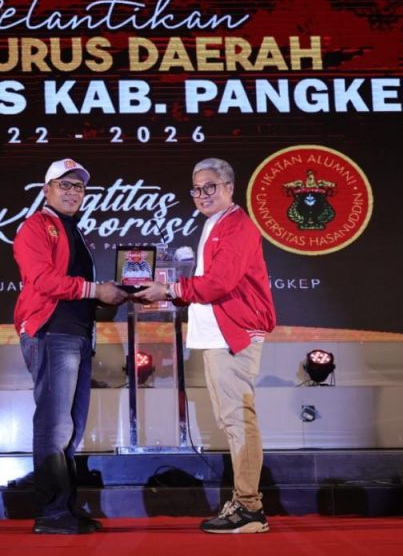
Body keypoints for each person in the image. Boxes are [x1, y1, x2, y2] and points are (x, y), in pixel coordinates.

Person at [133, 157, 276, 534]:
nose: (202, 194)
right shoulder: (216, 223)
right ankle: (245, 504)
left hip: (234, 333)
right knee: (232, 420)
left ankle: (250, 509)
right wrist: (170, 291)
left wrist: (169, 290)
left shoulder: (237, 225)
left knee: (238, 419)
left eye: (210, 186)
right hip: (218, 335)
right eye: (197, 189)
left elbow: (220, 283)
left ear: (230, 187)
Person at [13, 158, 128, 535]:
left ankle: (65, 507)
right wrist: (97, 291)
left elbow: (80, 290)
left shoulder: (73, 230)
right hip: (51, 332)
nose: (72, 192)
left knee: (71, 427)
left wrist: (119, 294)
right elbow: (43, 280)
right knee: (54, 425)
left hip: (77, 335)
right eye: (64, 184)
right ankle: (51, 514)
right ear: (46, 190)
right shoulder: (35, 226)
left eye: (78, 186)